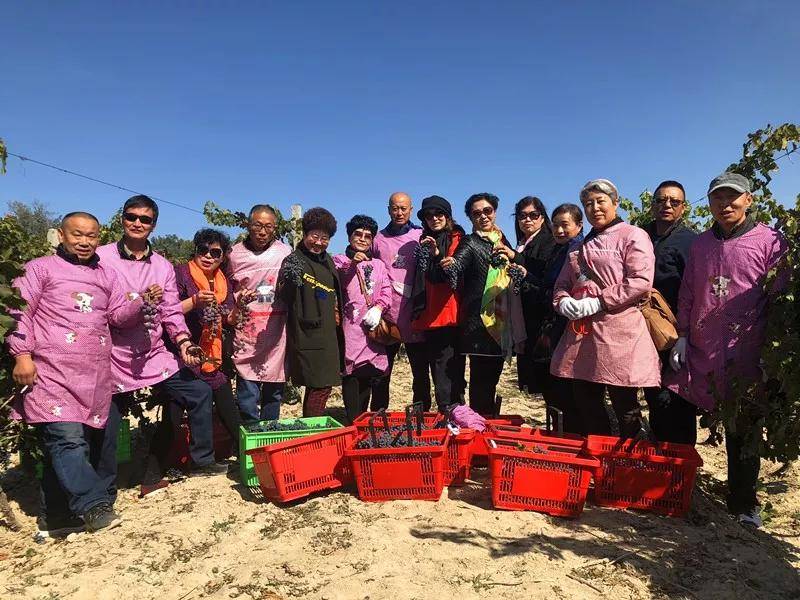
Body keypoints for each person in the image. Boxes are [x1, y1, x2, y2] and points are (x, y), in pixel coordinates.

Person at [666, 172, 788, 528]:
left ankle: (743, 501)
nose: (725, 205)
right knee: (678, 407)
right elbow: (689, 291)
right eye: (717, 198)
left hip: (746, 351)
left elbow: (779, 299)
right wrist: (683, 334)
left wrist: (772, 352)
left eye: (732, 197)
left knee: (743, 425)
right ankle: (681, 485)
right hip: (702, 346)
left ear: (749, 199)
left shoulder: (770, 241)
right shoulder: (702, 244)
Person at [8, 212, 142, 536]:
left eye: (91, 236)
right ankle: (94, 504)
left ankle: (54, 517)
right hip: (51, 373)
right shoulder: (39, 269)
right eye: (77, 234)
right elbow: (18, 312)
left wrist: (138, 301)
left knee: (70, 444)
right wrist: (22, 355)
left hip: (92, 375)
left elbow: (118, 316)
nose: (84, 241)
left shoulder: (105, 274)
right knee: (67, 441)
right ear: (61, 235)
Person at [96, 195, 223, 497]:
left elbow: (170, 311)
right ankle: (103, 489)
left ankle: (200, 460)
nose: (137, 223)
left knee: (198, 392)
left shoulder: (162, 266)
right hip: (112, 354)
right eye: (132, 217)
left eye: (145, 219)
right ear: (122, 219)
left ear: (153, 225)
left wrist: (182, 342)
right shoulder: (100, 258)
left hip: (152, 353)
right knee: (107, 422)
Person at [550, 179, 659, 438]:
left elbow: (640, 280)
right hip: (582, 334)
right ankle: (600, 453)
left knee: (624, 401)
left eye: (601, 201)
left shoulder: (633, 235)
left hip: (619, 332)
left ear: (615, 203)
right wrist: (564, 301)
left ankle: (627, 460)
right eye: (588, 203)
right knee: (586, 399)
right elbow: (562, 283)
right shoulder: (579, 246)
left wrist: (599, 301)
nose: (595, 208)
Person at [443, 193, 526, 414]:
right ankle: (480, 423)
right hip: (479, 323)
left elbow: (517, 266)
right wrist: (451, 265)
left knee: (492, 379)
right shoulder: (470, 242)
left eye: (487, 211)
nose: (483, 216)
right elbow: (458, 263)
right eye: (476, 213)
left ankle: (486, 420)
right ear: (470, 218)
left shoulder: (502, 240)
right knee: (481, 382)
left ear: (495, 212)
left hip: (502, 321)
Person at [174, 228, 251, 454]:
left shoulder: (222, 282)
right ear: (195, 251)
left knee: (227, 402)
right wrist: (194, 301)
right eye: (203, 250)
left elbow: (228, 319)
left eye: (215, 252)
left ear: (222, 257)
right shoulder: (181, 274)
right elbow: (168, 311)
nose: (208, 256)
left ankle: (244, 452)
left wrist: (240, 306)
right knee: (177, 410)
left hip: (212, 354)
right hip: (184, 352)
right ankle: (169, 462)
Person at [640, 181, 698, 444]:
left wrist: (686, 334)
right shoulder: (640, 235)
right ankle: (659, 452)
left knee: (676, 396)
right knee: (652, 391)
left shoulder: (690, 242)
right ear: (652, 205)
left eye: (674, 202)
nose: (667, 205)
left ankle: (680, 460)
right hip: (641, 328)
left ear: (683, 208)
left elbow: (696, 289)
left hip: (675, 330)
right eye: (662, 200)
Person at [226, 204, 292, 423]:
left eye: (268, 227)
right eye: (257, 225)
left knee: (273, 391)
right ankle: (251, 438)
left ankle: (269, 434)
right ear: (248, 225)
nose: (263, 232)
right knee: (247, 393)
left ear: (275, 228)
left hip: (276, 330)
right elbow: (225, 290)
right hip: (247, 331)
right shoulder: (234, 255)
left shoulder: (284, 252)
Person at [278, 207, 343, 417]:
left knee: (322, 386)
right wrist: (289, 280)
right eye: (315, 236)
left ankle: (310, 428)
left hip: (327, 333)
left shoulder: (327, 260)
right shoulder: (294, 261)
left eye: (325, 238)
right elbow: (285, 295)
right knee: (320, 384)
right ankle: (311, 431)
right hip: (308, 333)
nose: (319, 242)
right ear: (305, 234)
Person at [371, 192, 432, 410]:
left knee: (420, 372)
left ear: (411, 210)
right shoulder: (378, 239)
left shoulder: (420, 235)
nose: (399, 212)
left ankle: (421, 413)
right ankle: (378, 413)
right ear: (388, 209)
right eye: (395, 208)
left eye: (403, 208)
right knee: (381, 371)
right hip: (388, 317)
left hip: (414, 315)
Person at [333, 215, 392, 423]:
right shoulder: (339, 260)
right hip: (351, 325)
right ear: (349, 236)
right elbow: (341, 278)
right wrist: (352, 264)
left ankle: (362, 419)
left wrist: (378, 308)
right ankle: (351, 420)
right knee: (351, 373)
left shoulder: (378, 265)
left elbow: (386, 291)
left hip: (371, 325)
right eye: (358, 234)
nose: (363, 239)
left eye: (368, 236)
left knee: (369, 371)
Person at [410, 195, 467, 411]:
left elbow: (450, 273)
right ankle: (447, 412)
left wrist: (435, 254)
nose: (434, 218)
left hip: (449, 314)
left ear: (448, 216)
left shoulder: (457, 239)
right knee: (437, 368)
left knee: (448, 368)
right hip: (429, 314)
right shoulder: (424, 240)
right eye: (428, 215)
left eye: (439, 214)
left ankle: (451, 412)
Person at [533, 203, 584, 433]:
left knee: (568, 389)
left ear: (579, 225)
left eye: (565, 225)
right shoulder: (558, 250)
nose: (560, 230)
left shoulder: (578, 251)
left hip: (570, 325)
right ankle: (563, 434)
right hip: (555, 325)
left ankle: (571, 436)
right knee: (556, 388)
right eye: (556, 225)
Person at [513, 196, 557, 395]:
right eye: (522, 216)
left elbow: (540, 273)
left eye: (533, 215)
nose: (527, 220)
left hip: (542, 320)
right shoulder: (522, 243)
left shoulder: (548, 241)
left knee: (550, 384)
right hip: (527, 318)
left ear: (542, 218)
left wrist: (516, 259)